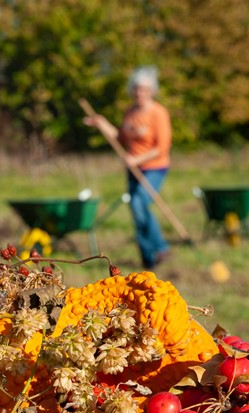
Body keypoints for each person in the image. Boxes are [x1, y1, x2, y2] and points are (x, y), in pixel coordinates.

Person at [85, 66, 172, 269]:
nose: (140, 93)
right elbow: (120, 138)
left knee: (140, 201)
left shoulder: (159, 113)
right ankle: (147, 257)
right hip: (133, 169)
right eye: (137, 89)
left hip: (154, 167)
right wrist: (101, 123)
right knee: (136, 208)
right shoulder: (130, 113)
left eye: (144, 89)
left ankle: (160, 248)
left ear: (152, 91)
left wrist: (137, 159)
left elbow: (162, 147)